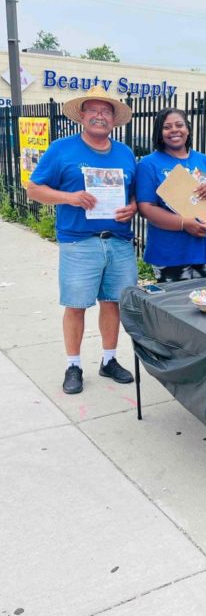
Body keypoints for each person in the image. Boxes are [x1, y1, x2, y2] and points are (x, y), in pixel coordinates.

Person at [27, 85, 138, 395]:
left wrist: (131, 207)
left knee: (112, 302)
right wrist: (69, 197)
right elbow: (33, 189)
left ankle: (109, 360)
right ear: (83, 116)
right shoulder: (62, 149)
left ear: (114, 119)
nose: (99, 116)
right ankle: (73, 365)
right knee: (76, 305)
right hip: (79, 241)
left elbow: (133, 193)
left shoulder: (125, 153)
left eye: (105, 111)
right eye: (93, 110)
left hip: (118, 240)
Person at [136, 107, 206, 282]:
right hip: (170, 252)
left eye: (179, 125)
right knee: (175, 307)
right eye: (167, 127)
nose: (174, 130)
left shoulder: (204, 160)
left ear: (187, 129)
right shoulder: (148, 164)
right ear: (159, 132)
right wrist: (184, 223)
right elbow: (146, 209)